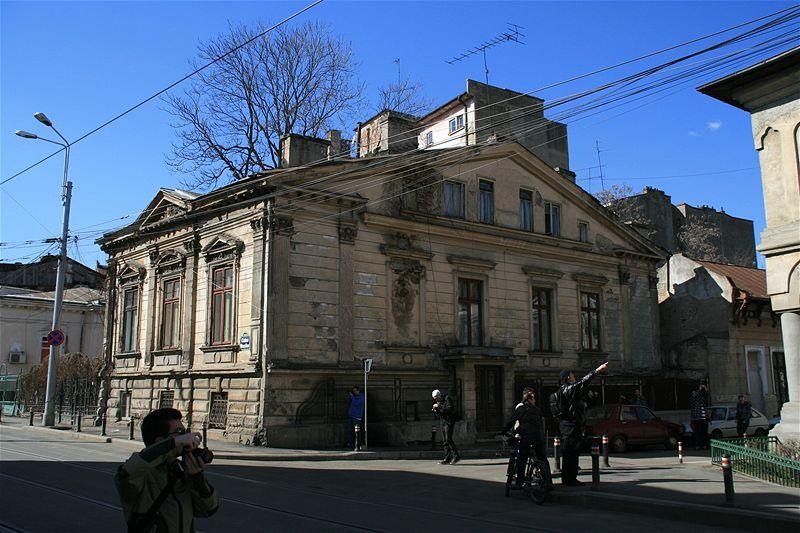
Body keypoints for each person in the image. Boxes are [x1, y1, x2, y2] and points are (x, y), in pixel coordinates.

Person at [116, 408, 219, 533]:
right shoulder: (144, 473)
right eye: (179, 432)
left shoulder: (179, 470)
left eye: (185, 432)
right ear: (160, 441)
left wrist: (198, 478)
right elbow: (128, 473)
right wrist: (174, 444)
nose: (186, 436)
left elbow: (208, 509)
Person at [551, 362, 609, 487]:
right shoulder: (567, 389)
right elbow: (583, 382)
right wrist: (597, 371)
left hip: (568, 426)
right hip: (570, 426)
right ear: (568, 377)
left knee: (569, 453)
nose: (574, 377)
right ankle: (570, 480)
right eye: (572, 375)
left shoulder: (566, 392)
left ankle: (568, 479)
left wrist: (592, 400)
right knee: (571, 453)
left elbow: (582, 406)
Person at [501, 387, 553, 491]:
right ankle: (548, 482)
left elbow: (511, 422)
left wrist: (504, 431)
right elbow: (536, 423)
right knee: (543, 458)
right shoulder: (537, 410)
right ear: (529, 400)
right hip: (539, 437)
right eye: (533, 399)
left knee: (522, 459)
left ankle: (519, 482)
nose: (534, 401)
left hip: (526, 438)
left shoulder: (520, 409)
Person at [432, 389, 461, 464]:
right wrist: (436, 410)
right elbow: (441, 413)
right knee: (445, 441)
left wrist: (439, 406)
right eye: (435, 399)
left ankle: (456, 456)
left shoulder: (447, 399)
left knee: (448, 439)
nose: (436, 400)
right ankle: (447, 458)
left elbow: (449, 409)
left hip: (449, 421)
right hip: (443, 421)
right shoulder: (439, 402)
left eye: (436, 398)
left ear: (439, 395)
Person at [689, 381, 710, 450]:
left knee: (704, 432)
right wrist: (698, 391)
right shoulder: (695, 395)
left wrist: (705, 390)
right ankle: (698, 445)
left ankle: (704, 445)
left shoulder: (703, 395)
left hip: (703, 417)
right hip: (697, 417)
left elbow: (706, 401)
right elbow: (693, 402)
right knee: (698, 432)